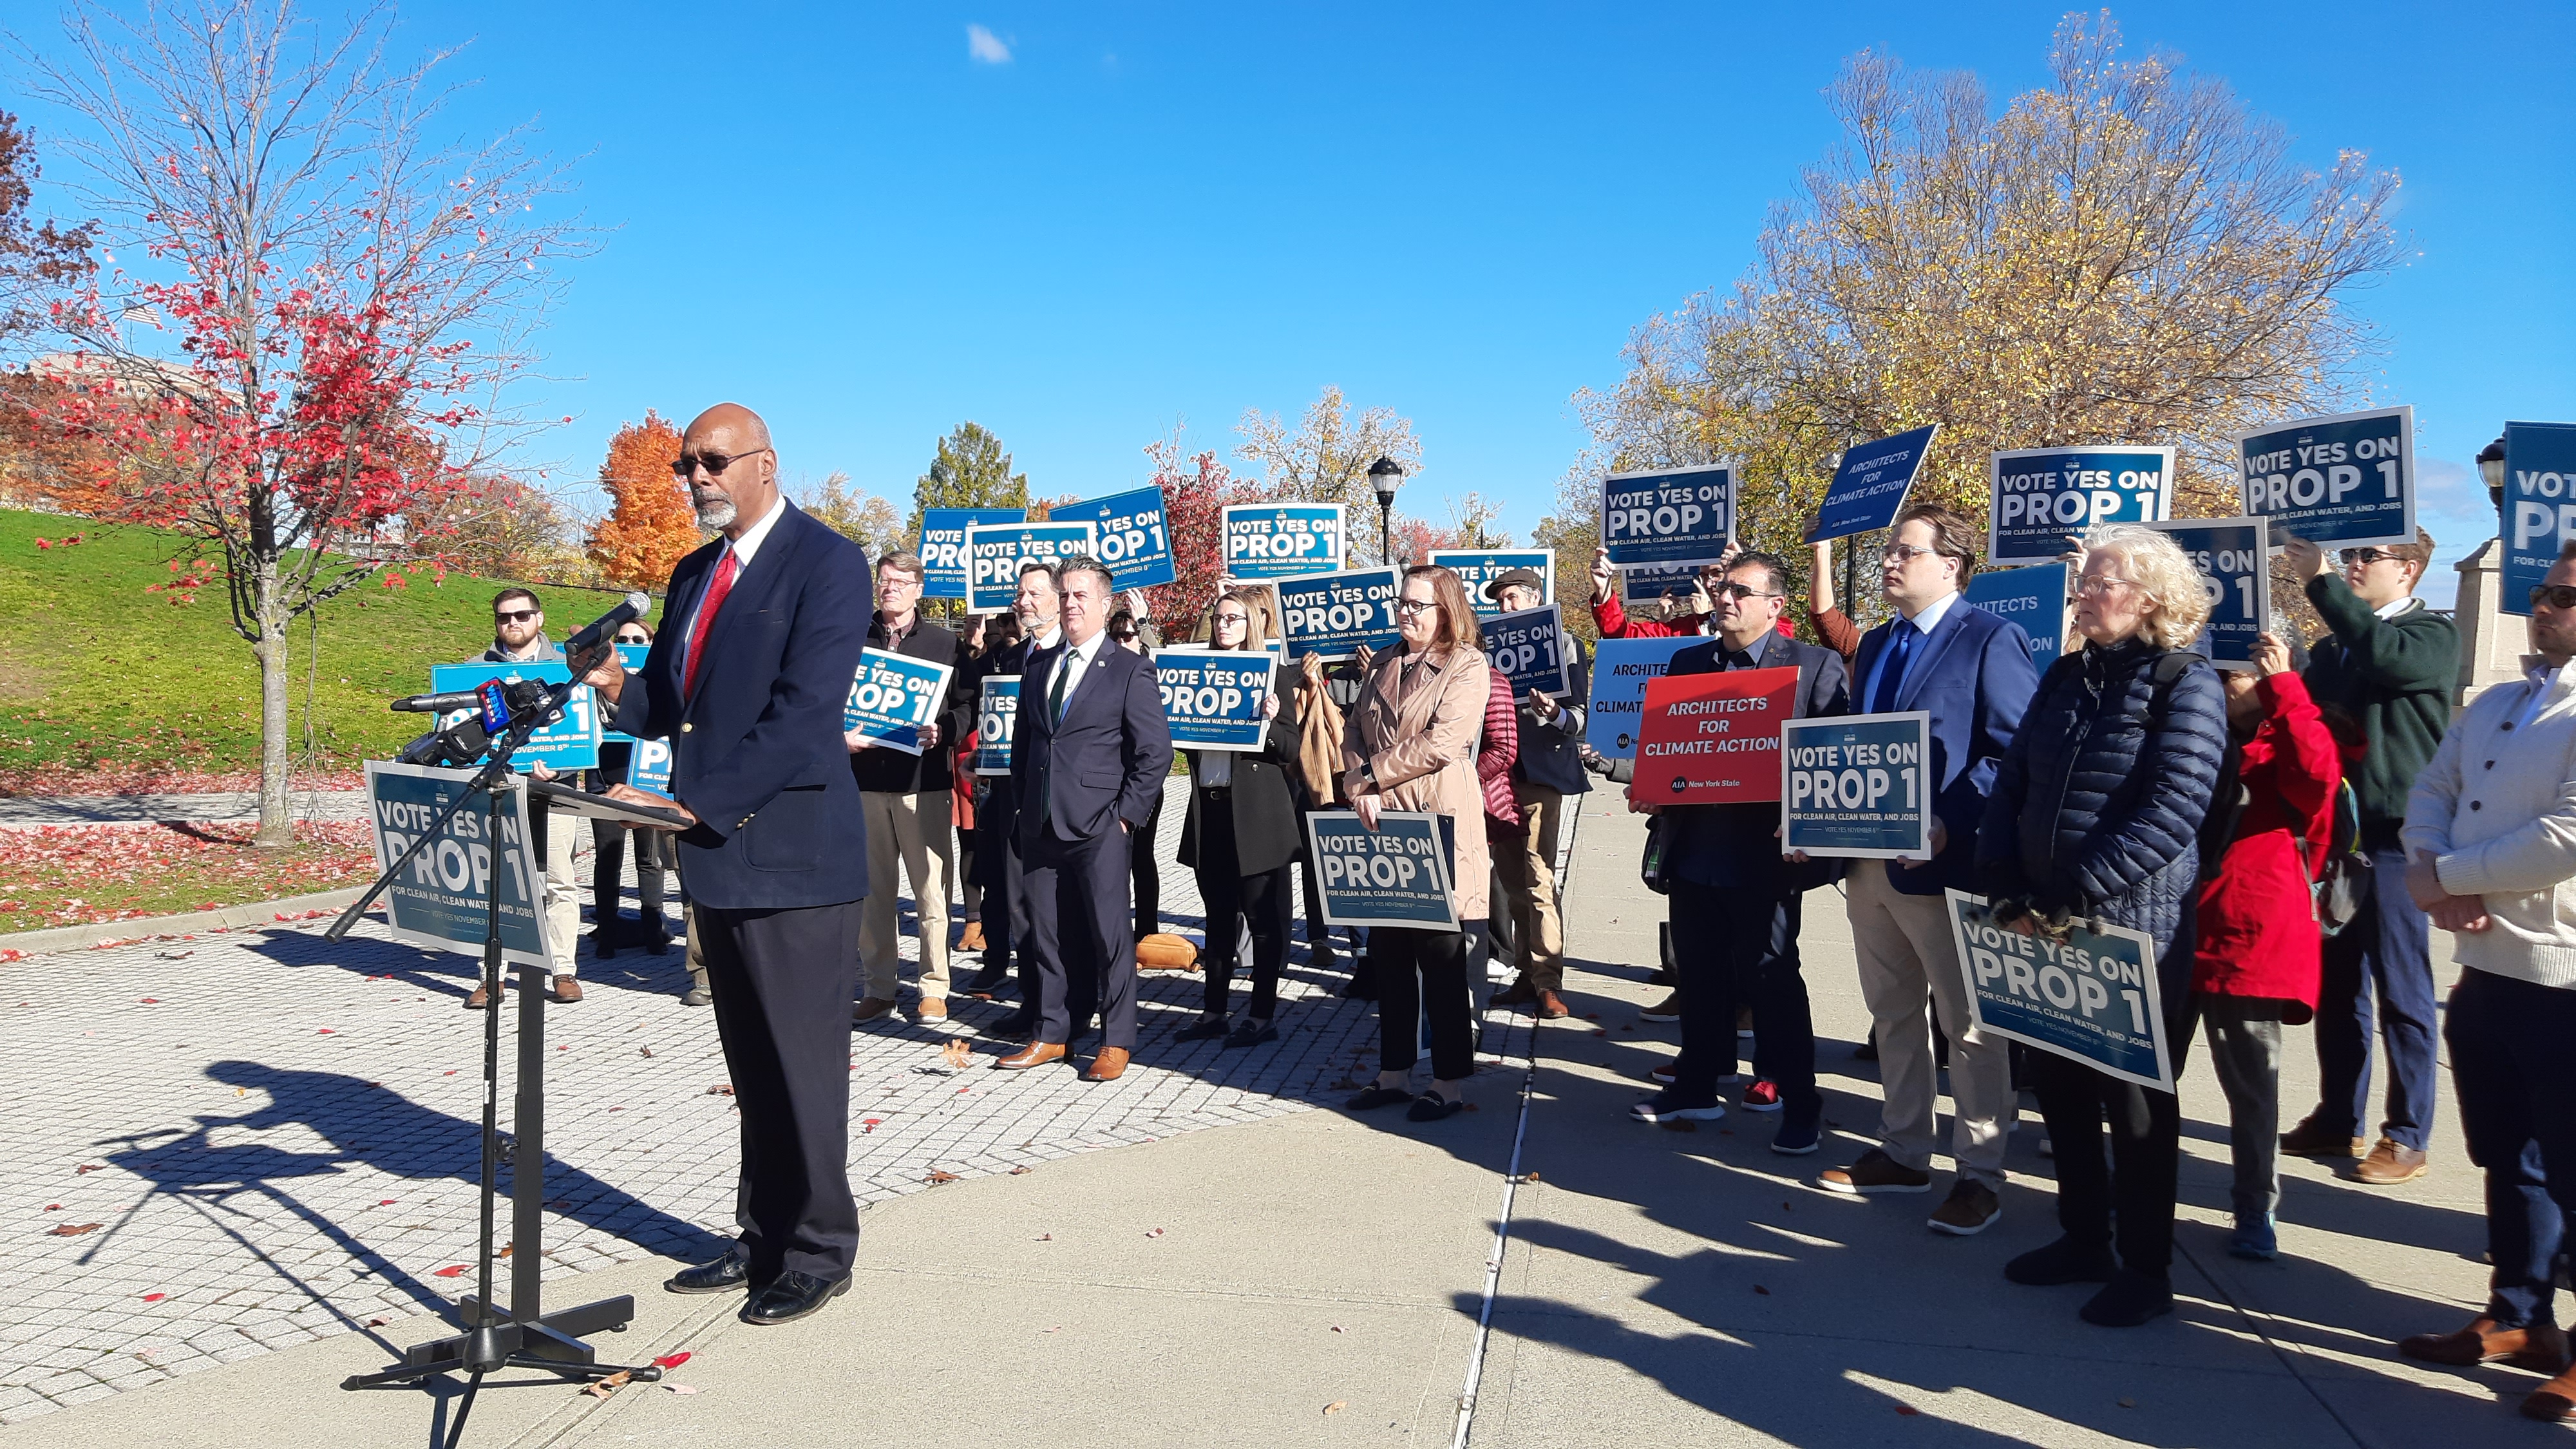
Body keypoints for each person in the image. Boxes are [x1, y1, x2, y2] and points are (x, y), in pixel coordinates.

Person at [585, 402, 872, 1327]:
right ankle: (762, 1236)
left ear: (764, 463)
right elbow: (674, 698)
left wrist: (694, 802)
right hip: (719, 854)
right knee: (752, 1065)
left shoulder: (827, 563)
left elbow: (803, 714)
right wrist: (615, 686)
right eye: (684, 464)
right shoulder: (693, 570)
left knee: (803, 1065)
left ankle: (821, 1248)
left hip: (793, 856)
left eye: (712, 460)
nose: (696, 477)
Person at [1979, 524, 2226, 1327]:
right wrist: (2002, 874)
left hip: (2131, 926)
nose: (2082, 594)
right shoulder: (2063, 675)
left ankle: (2146, 1269)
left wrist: (2083, 886)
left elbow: (2176, 805)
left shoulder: (2184, 681)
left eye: (2099, 583)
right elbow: (2014, 780)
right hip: (2041, 914)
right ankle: (2082, 1237)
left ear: (2151, 598)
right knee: (2058, 1083)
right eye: (2083, 582)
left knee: (2136, 1102)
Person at [1811, 504, 2038, 1236]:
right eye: (1888, 551)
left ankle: (1979, 1173)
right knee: (1891, 1013)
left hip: (1946, 866)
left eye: (1904, 552)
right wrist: (1811, 812)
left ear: (1950, 565)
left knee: (1967, 1028)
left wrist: (1951, 820)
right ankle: (1905, 1150)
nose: (1888, 562)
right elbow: (1858, 743)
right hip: (1869, 864)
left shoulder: (1990, 639)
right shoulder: (1876, 644)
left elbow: (2012, 756)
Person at [2393, 547, 2576, 1421]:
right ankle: (2520, 1315)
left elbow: (2566, 834)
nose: (2547, 607)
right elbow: (2432, 786)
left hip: (2565, 975)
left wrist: (2451, 877)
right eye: (2543, 591)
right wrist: (2432, 870)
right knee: (2509, 1157)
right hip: (2487, 969)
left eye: (2567, 597)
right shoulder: (2499, 700)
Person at [1624, 551, 1846, 1154]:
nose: (1725, 598)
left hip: (1766, 860)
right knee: (1698, 975)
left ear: (1776, 606)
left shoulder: (1815, 668)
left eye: (1741, 591)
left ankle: (1801, 1104)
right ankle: (1696, 1084)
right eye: (1722, 588)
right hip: (1695, 852)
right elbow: (1667, 751)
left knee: (1772, 981)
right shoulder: (1687, 663)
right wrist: (1649, 788)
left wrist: (1810, 822)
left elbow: (1831, 760)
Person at [2280, 527, 2456, 1185]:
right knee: (2339, 987)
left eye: (2365, 557)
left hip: (2398, 837)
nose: (2351, 565)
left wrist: (2319, 581)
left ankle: (2406, 1134)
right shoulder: (2334, 648)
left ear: (2408, 569)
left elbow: (2385, 658)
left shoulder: (2430, 635)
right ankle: (2337, 1116)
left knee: (2402, 991)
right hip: (2339, 839)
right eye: (2348, 556)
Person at [2184, 630, 2337, 1262]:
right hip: (2178, 928)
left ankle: (2255, 1205)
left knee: (2250, 1089)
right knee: (2147, 1075)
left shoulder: (2292, 736)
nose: (2223, 687)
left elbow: (2316, 781)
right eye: (2214, 675)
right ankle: (2135, 1183)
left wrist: (2283, 691)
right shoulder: (2196, 735)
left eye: (2235, 676)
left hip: (2248, 940)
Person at [993, 557, 1173, 1083]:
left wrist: (1124, 818)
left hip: (1100, 827)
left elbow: (1155, 753)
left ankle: (1116, 1039)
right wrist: (1027, 806)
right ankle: (1053, 1032)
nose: (1071, 605)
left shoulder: (1129, 668)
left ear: (1104, 603)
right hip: (1042, 824)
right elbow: (1025, 746)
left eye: (1081, 596)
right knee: (1045, 935)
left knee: (1109, 936)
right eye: (1065, 595)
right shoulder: (1039, 667)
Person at [1340, 566, 1493, 1123]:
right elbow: (1353, 727)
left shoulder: (1468, 665)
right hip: (1380, 826)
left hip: (1437, 822)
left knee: (1443, 959)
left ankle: (1448, 1081)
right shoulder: (1382, 661)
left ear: (1446, 610)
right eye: (1401, 603)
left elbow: (1443, 743)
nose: (1406, 613)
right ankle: (1393, 1074)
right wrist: (1357, 779)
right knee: (1390, 955)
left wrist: (1373, 778)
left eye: (1418, 606)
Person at [1175, 588, 1304, 1048]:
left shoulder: (1275, 676)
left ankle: (1262, 1015)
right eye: (1219, 618)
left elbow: (1290, 749)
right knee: (1217, 917)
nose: (1224, 625)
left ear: (1252, 624)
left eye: (1233, 618)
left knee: (1262, 920)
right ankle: (1213, 1012)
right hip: (1209, 810)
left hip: (1255, 817)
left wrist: (1269, 721)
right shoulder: (1196, 675)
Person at [849, 553, 971, 1025]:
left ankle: (934, 987)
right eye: (884, 580)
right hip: (865, 782)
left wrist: (946, 729)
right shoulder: (854, 638)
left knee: (931, 892)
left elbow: (968, 704)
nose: (890, 588)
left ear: (919, 588)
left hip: (924, 785)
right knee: (872, 892)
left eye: (900, 581)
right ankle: (879, 987)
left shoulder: (944, 642)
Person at [464, 586, 585, 1007]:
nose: (512, 623)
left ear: (540, 618)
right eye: (503, 617)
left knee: (559, 880)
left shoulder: (566, 668)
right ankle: (492, 974)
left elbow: (582, 734)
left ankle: (563, 969)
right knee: (496, 882)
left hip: (556, 787)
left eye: (521, 615)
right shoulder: (474, 672)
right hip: (500, 788)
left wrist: (562, 765)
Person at [1487, 568, 1588, 1020]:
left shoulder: (1566, 644)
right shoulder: (1484, 649)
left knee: (1539, 879)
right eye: (1500, 601)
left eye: (1512, 599)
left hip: (1542, 776)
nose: (1505, 608)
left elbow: (1581, 718)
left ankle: (1549, 981)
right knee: (1511, 884)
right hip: (1497, 776)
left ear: (1535, 599)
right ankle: (1526, 975)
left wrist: (1552, 713)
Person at [967, 569, 1059, 1032]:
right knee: (1019, 905)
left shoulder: (1073, 655)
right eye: (1019, 593)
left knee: (1060, 910)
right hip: (1008, 798)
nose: (1022, 600)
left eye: (1033, 593)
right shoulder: (1008, 657)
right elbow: (981, 709)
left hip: (1062, 804)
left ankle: (1069, 1006)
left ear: (1058, 598)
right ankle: (1033, 1004)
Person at [590, 616, 671, 961]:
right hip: (606, 777)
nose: (630, 646)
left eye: (639, 641)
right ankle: (607, 931)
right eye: (623, 640)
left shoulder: (658, 686)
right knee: (608, 857)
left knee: (649, 859)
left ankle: (653, 926)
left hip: (646, 777)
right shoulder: (592, 687)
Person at [1110, 608, 1166, 940]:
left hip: (1143, 782)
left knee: (1141, 857)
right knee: (1114, 861)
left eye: (1128, 635)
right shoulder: (1103, 671)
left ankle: (1147, 931)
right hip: (1109, 782)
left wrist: (1143, 624)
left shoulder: (1148, 671)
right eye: (1115, 635)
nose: (1121, 641)